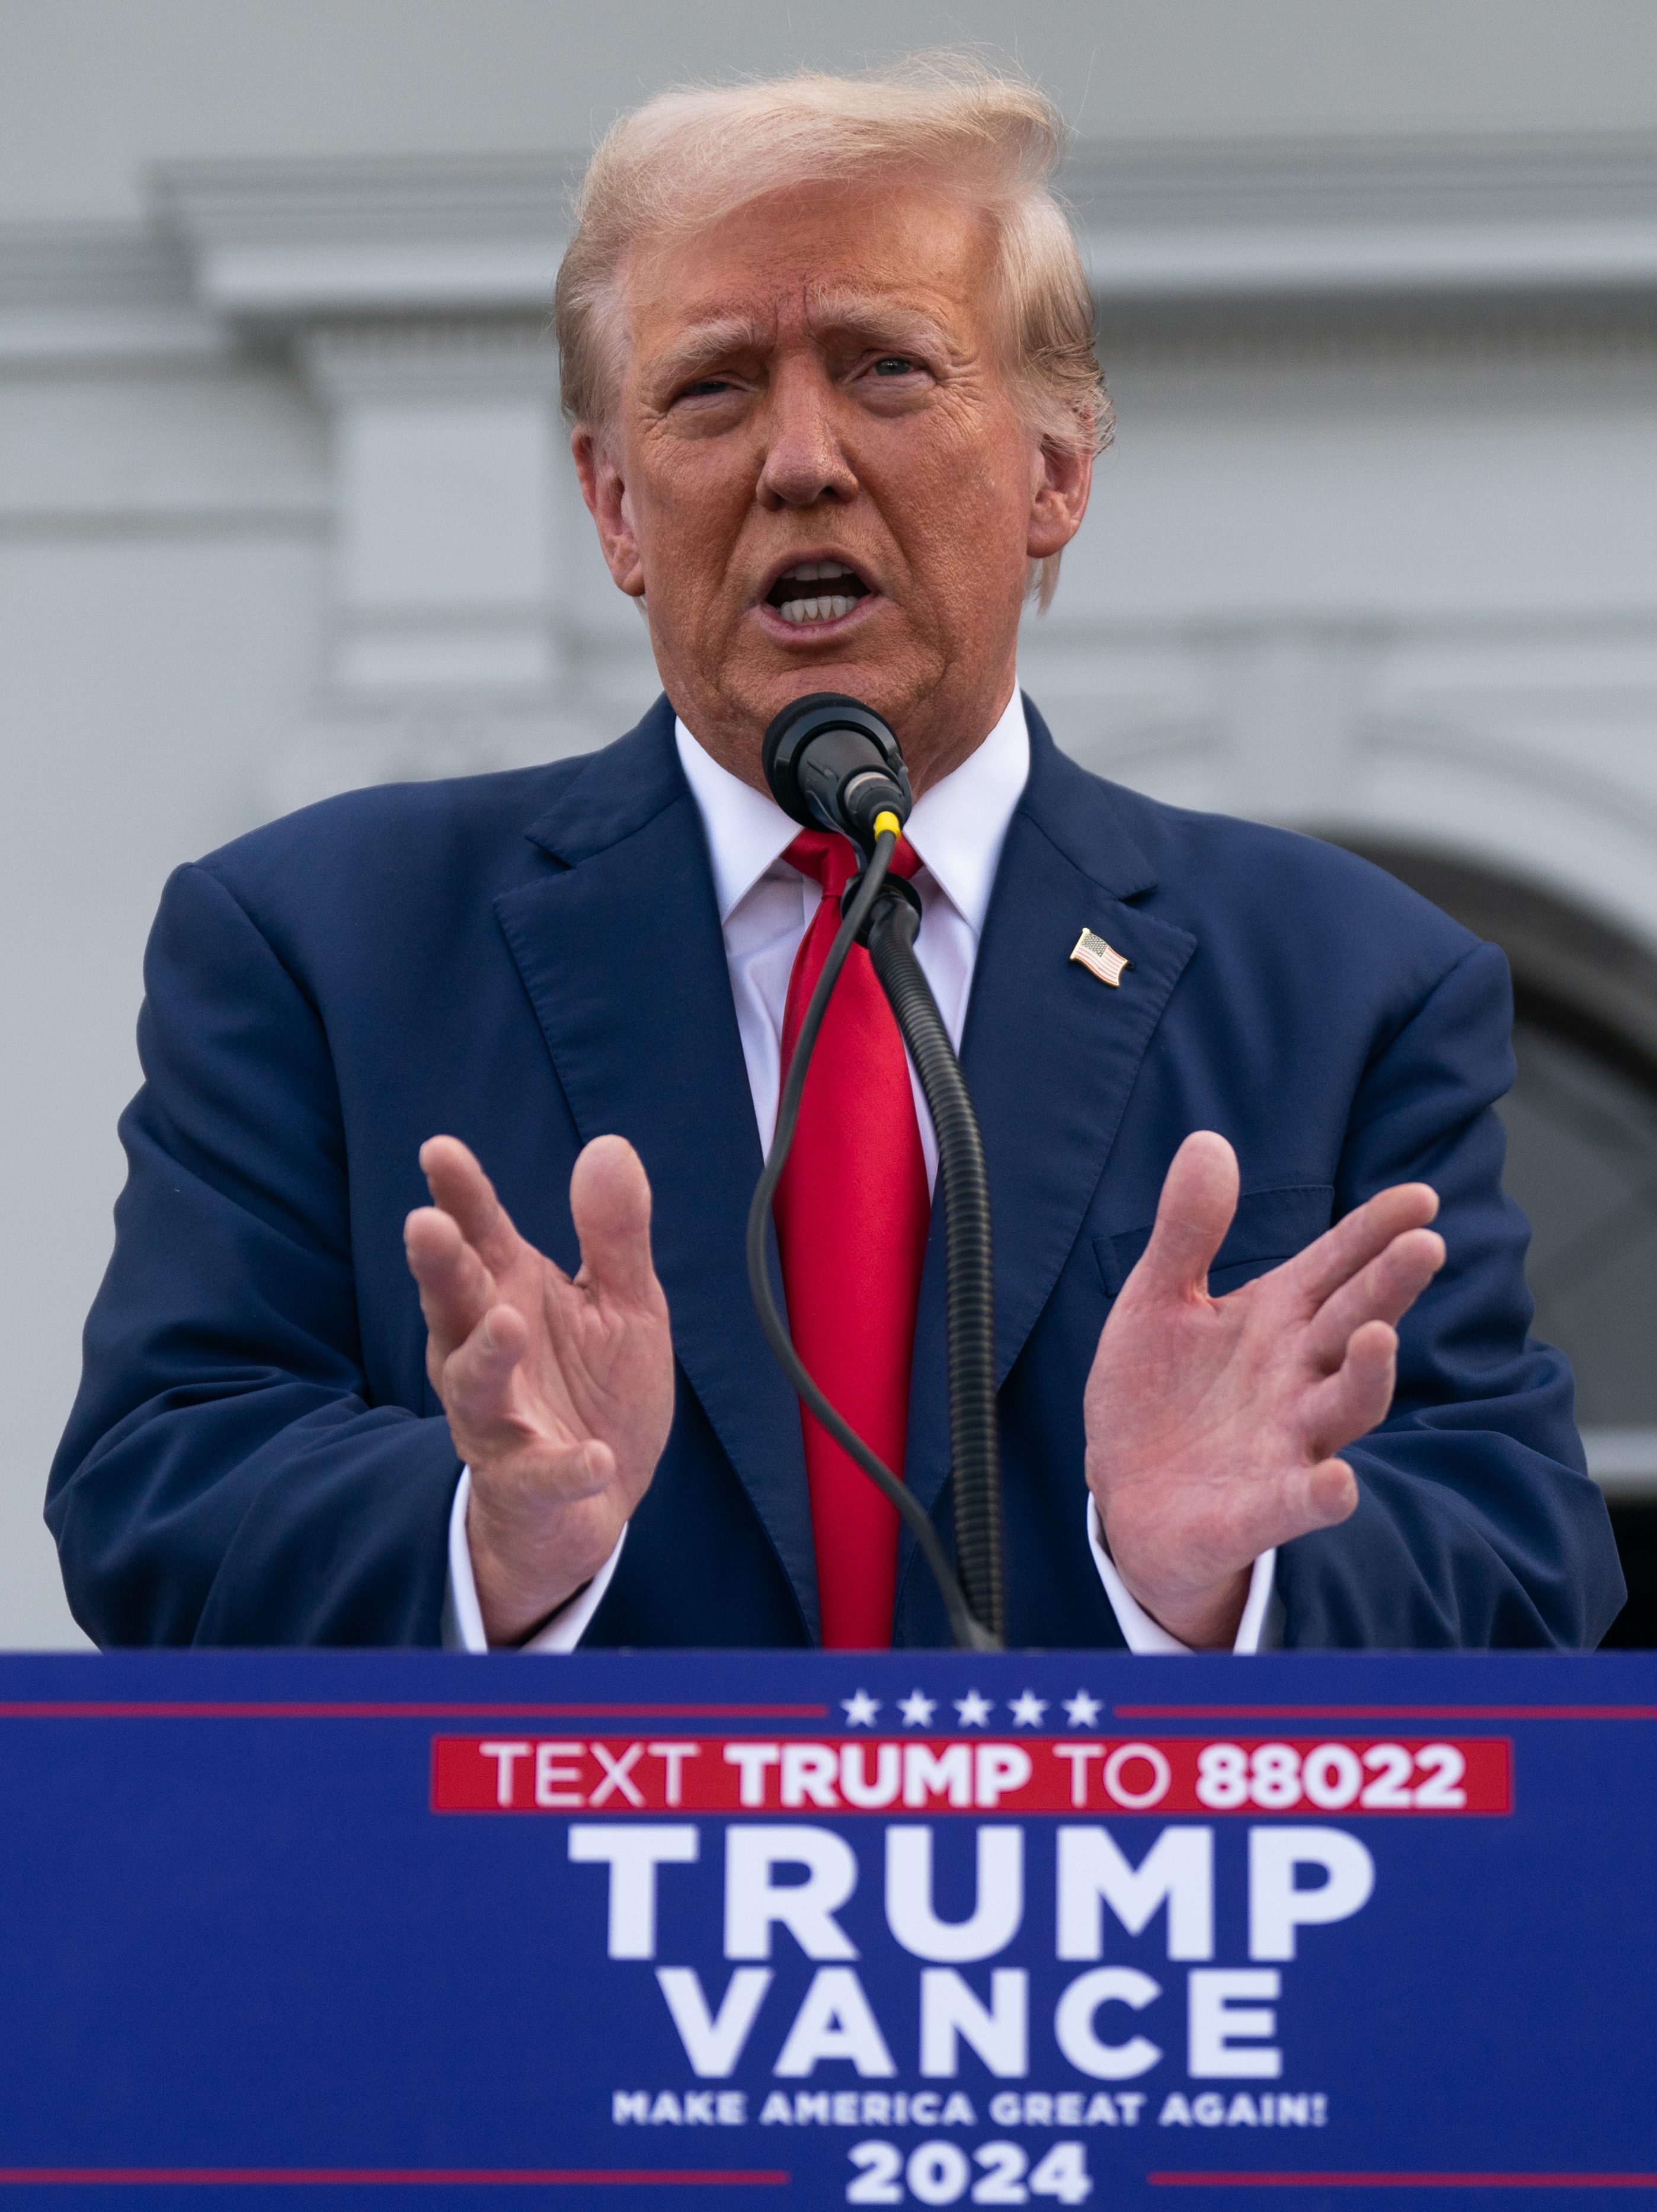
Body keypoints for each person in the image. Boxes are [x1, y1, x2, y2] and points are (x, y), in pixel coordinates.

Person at [48, 64, 1621, 1654]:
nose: (799, 458)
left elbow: (1524, 1554)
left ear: (1054, 474)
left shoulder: (1348, 980)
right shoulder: (320, 948)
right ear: (614, 510)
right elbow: (159, 1488)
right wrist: (488, 1536)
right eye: (712, 389)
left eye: (886, 368)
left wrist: (1213, 1578)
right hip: (532, 1895)